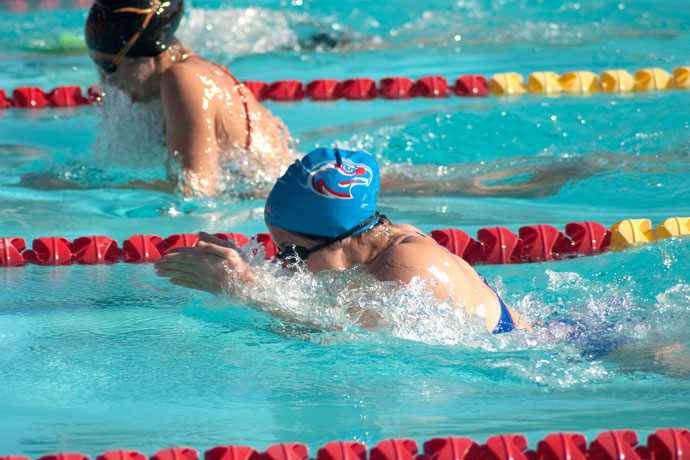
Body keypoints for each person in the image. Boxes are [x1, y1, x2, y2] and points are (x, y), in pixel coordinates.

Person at [155, 147, 531, 334]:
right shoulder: (375, 246)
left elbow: (356, 343)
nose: (285, 265)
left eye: (290, 254)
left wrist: (246, 291)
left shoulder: (406, 267)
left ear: (340, 241)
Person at [84, 0, 295, 196]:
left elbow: (194, 193)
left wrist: (83, 188)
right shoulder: (175, 79)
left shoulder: (182, 80)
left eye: (109, 66)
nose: (106, 81)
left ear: (150, 52)